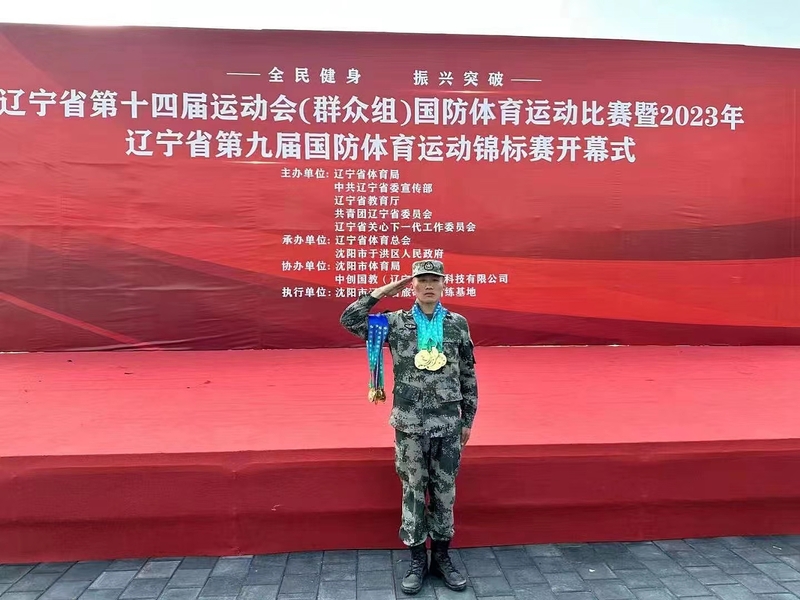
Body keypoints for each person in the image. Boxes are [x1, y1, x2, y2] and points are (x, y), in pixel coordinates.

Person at [339, 259, 478, 594]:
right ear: (411, 285)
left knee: (444, 492)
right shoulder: (394, 322)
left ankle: (441, 557)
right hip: (410, 423)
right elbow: (349, 319)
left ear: (443, 285)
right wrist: (384, 291)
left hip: (448, 423)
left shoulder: (457, 324)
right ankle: (417, 559)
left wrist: (468, 419)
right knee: (414, 491)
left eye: (435, 280)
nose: (429, 285)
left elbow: (468, 374)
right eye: (422, 280)